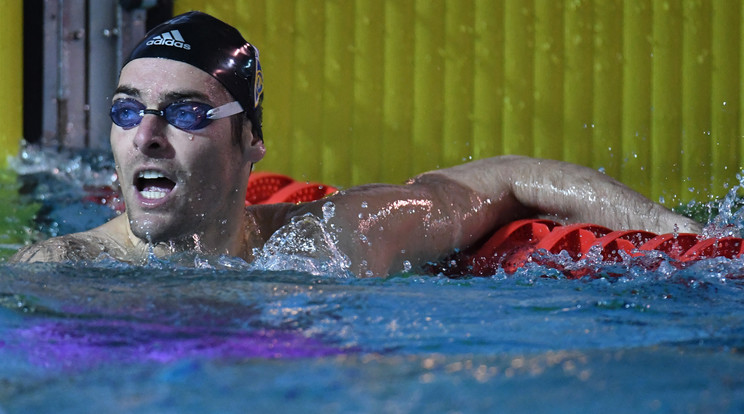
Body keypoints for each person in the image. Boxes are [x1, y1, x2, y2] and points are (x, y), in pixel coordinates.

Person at [9, 11, 701, 276]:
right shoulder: (62, 267)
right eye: (127, 113)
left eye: (186, 113)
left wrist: (686, 234)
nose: (147, 137)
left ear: (251, 141)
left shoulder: (331, 241)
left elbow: (513, 177)